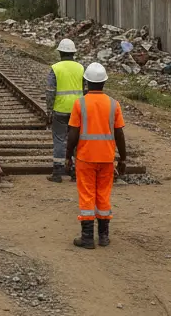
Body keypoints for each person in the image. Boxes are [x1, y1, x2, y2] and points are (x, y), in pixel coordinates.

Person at [66, 62, 127, 249]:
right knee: (103, 195)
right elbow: (119, 134)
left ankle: (86, 238)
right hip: (107, 158)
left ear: (86, 82)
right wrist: (123, 158)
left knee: (87, 195)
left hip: (86, 158)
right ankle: (103, 236)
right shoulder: (113, 104)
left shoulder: (80, 103)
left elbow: (73, 133)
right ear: (104, 83)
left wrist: (68, 156)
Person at [46, 38, 84, 183]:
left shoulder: (55, 68)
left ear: (60, 53)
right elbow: (86, 90)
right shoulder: (81, 68)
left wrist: (49, 111)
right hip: (78, 111)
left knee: (60, 140)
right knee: (76, 141)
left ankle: (57, 172)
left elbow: (50, 91)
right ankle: (75, 172)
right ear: (73, 53)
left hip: (60, 110)